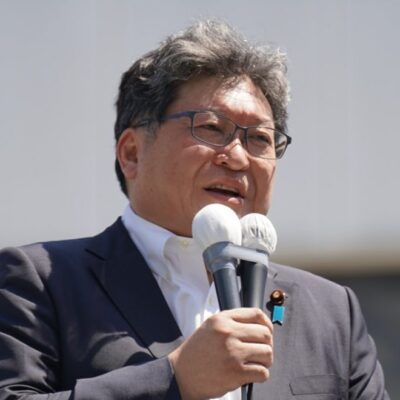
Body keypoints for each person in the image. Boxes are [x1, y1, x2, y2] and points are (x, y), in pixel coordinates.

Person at [0, 19, 389, 400]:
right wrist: (175, 379)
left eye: (259, 138)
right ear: (132, 153)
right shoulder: (39, 281)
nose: (238, 158)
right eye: (211, 128)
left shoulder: (331, 311)